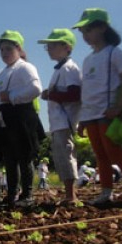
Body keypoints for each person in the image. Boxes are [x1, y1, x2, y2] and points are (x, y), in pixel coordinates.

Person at [73, 8, 122, 205]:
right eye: (82, 32)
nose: (85, 35)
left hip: (107, 113)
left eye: (88, 30)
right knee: (100, 155)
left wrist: (117, 107)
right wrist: (82, 118)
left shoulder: (114, 54)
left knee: (114, 152)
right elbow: (87, 92)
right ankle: (106, 193)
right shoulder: (88, 59)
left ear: (103, 28)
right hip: (91, 114)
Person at [0, 30, 44, 208]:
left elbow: (36, 88)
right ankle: (11, 195)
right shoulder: (4, 72)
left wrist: (12, 96)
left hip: (21, 116)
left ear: (18, 48)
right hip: (5, 118)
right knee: (10, 158)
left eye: (7, 49)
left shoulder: (25, 67)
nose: (4, 53)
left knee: (24, 156)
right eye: (1, 50)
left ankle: (27, 194)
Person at [38, 28, 82, 204]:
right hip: (58, 123)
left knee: (66, 156)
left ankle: (71, 195)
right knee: (61, 158)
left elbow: (75, 94)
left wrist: (51, 95)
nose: (49, 49)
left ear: (66, 47)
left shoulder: (69, 69)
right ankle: (69, 194)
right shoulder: (60, 69)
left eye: (52, 45)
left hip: (66, 122)